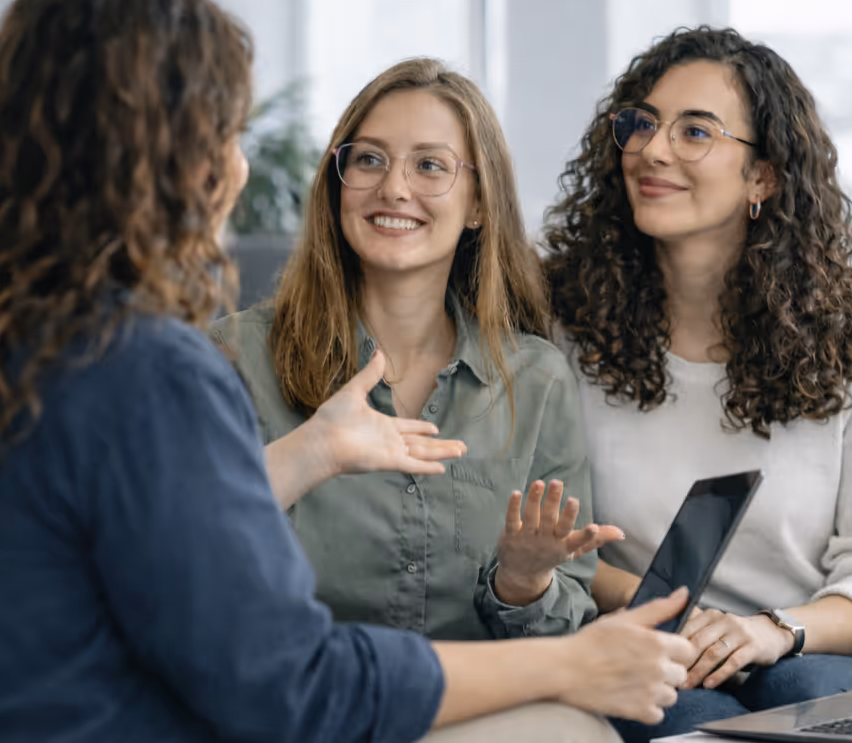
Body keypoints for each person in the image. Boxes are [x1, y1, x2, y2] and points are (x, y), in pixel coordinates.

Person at [0, 0, 696, 743]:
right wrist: (571, 667)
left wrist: (534, 596)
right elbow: (290, 684)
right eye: (226, 133)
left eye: (430, 166)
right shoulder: (160, 370)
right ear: (167, 159)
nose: (241, 165)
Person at [543, 26, 852, 743]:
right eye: (641, 124)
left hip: (813, 653)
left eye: (696, 131)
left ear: (764, 177)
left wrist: (769, 633)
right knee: (687, 707)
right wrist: (676, 620)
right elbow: (560, 550)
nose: (653, 150)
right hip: (655, 649)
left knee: (798, 686)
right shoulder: (566, 324)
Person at [213, 57, 611, 641]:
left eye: (430, 166)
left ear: (479, 204)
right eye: (370, 159)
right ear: (337, 184)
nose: (394, 189)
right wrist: (308, 452)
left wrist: (524, 584)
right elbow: (181, 550)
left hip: (479, 707)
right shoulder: (236, 355)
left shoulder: (536, 378)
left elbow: (567, 612)